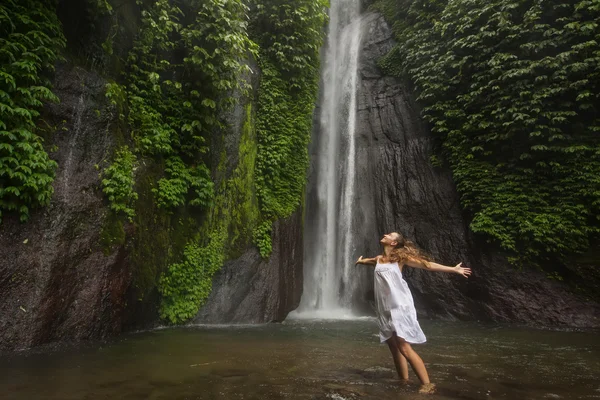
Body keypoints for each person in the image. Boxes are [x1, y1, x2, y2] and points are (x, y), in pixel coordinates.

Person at [355, 232, 471, 393]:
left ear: (394, 243)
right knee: (393, 346)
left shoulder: (400, 259)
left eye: (389, 235)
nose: (384, 235)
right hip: (384, 309)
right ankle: (404, 380)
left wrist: (453, 269)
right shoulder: (378, 259)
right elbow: (370, 262)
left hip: (399, 306)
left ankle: (428, 384)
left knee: (404, 346)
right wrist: (360, 261)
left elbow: (427, 265)